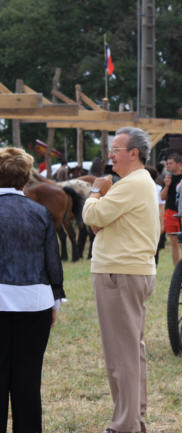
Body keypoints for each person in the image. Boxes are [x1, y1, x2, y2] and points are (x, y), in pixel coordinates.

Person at [81, 127, 161, 433]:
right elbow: (101, 223)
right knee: (130, 350)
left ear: (134, 153)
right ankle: (133, 417)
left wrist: (94, 191)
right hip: (130, 270)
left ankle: (125, 424)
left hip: (119, 272)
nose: (110, 155)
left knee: (121, 354)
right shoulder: (141, 182)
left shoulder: (132, 183)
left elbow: (92, 217)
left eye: (116, 149)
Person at [0, 147, 66, 433]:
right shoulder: (40, 212)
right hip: (35, 303)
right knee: (28, 381)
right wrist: (56, 300)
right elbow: (52, 260)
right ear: (26, 178)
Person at [160, 153, 182, 265]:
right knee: (174, 244)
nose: (168, 166)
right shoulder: (168, 178)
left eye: (170, 163)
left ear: (179, 164)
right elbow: (162, 197)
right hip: (170, 212)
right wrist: (167, 185)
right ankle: (177, 271)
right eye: (167, 163)